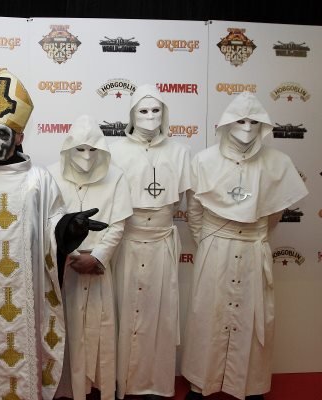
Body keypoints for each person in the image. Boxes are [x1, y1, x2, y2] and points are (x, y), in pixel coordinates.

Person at [0, 70, 105, 400]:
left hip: (28, 291)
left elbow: (52, 226)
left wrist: (71, 227)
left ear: (19, 137)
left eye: (2, 134)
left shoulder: (38, 180)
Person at [181, 92, 308, 400]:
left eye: (254, 121)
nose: (247, 128)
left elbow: (274, 215)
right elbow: (194, 211)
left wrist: (251, 234)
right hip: (216, 247)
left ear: (263, 125)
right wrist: (210, 240)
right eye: (240, 121)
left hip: (253, 246)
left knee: (253, 317)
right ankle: (200, 383)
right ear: (227, 123)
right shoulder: (205, 160)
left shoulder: (278, 163)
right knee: (207, 314)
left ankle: (250, 385)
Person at [109, 84, 191, 399]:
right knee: (124, 309)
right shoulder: (115, 151)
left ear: (164, 113)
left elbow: (182, 199)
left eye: (156, 110)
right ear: (132, 114)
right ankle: (122, 382)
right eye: (143, 110)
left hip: (161, 243)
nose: (150, 116)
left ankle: (157, 383)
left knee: (161, 315)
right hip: (128, 242)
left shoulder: (179, 152)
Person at [48, 115, 133, 400]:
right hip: (65, 267)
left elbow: (118, 224)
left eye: (92, 149)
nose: (86, 156)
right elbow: (49, 221)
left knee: (101, 328)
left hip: (98, 267)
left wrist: (97, 257)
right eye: (80, 149)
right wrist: (71, 254)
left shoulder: (116, 177)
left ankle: (97, 388)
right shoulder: (51, 175)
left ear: (102, 150)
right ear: (68, 149)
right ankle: (65, 389)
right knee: (65, 328)